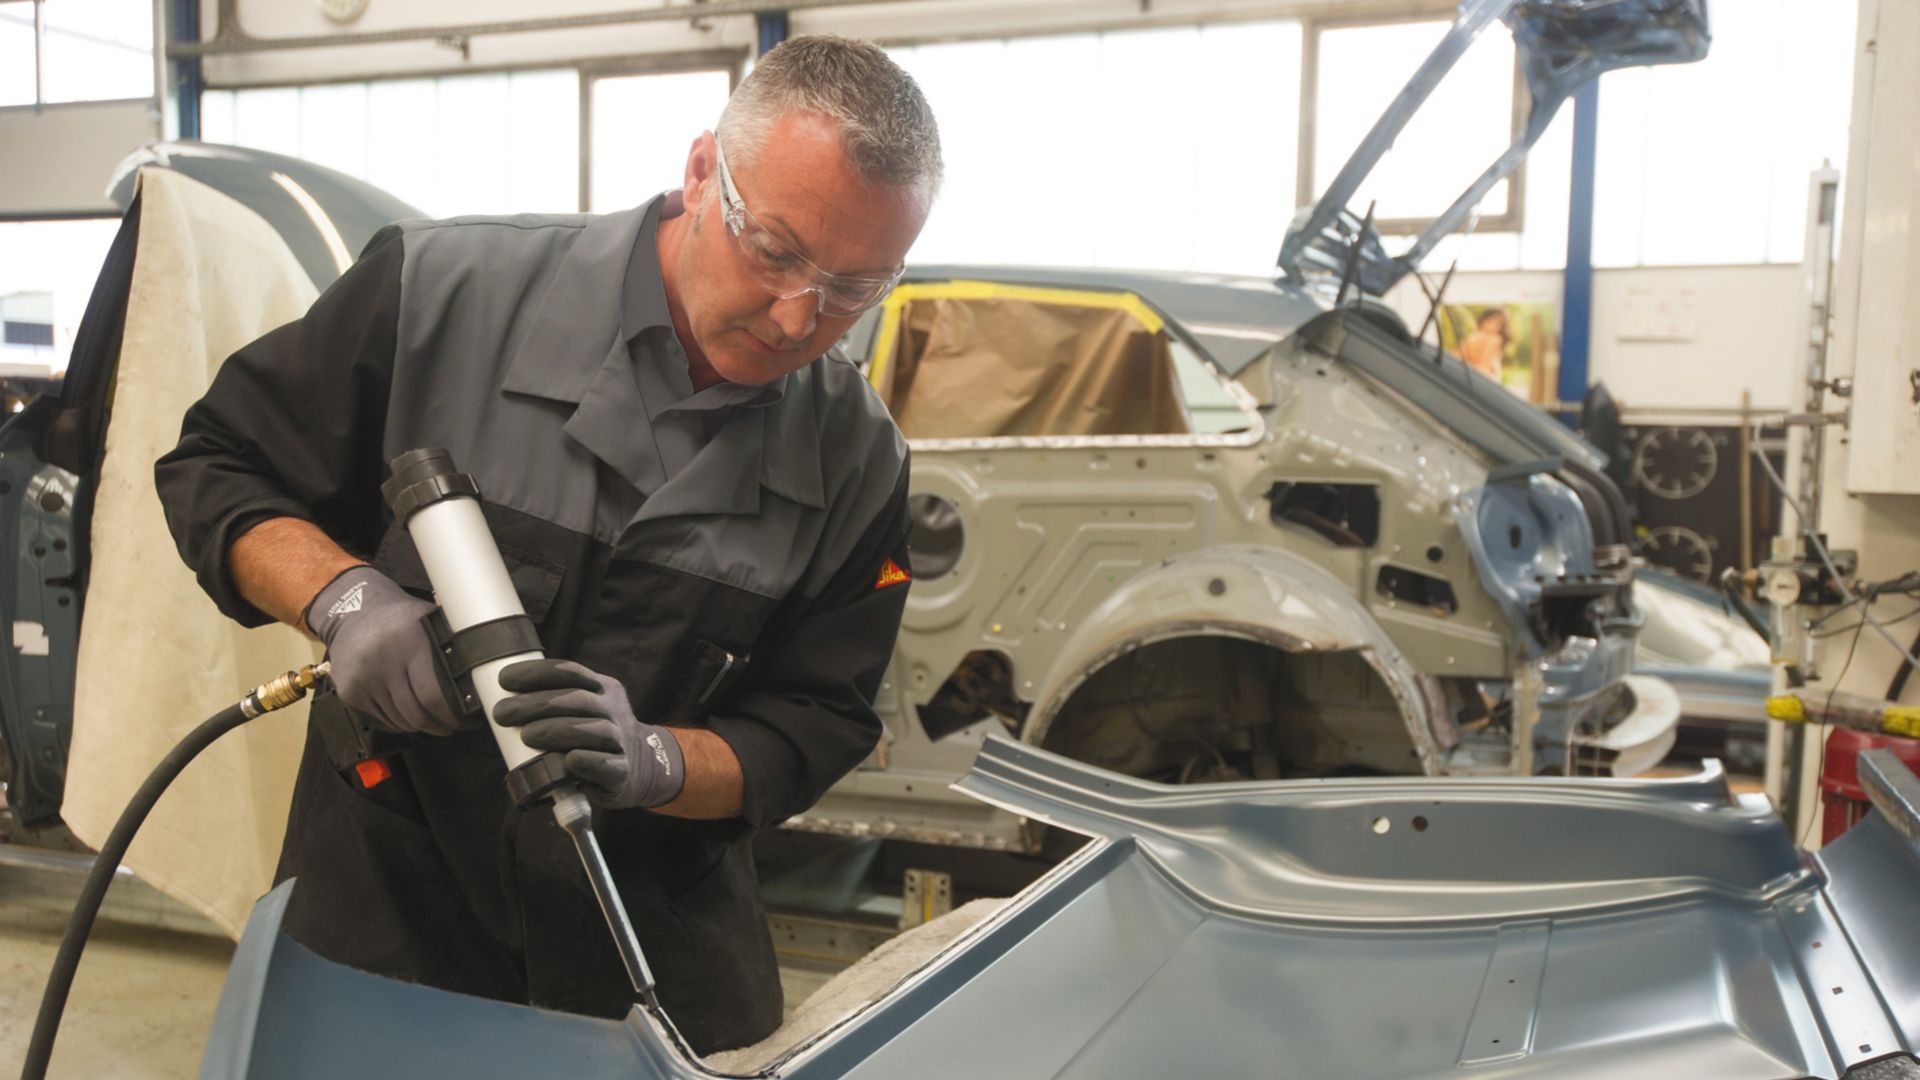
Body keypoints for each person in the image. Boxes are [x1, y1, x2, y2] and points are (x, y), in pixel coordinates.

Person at [153, 35, 940, 1055]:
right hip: (384, 919)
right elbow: (219, 465)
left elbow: (815, 722)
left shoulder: (859, 460)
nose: (800, 316)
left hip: (648, 945)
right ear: (702, 170)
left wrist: (659, 760)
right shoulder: (439, 292)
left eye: (854, 286)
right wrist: (344, 598)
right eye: (775, 251)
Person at [1459, 306, 1507, 381]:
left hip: (1470, 377)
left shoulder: (1470, 337)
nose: (1498, 326)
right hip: (1484, 380)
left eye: (1500, 324)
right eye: (1495, 321)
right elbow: (1484, 367)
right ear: (1485, 319)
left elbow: (1459, 359)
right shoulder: (1494, 339)